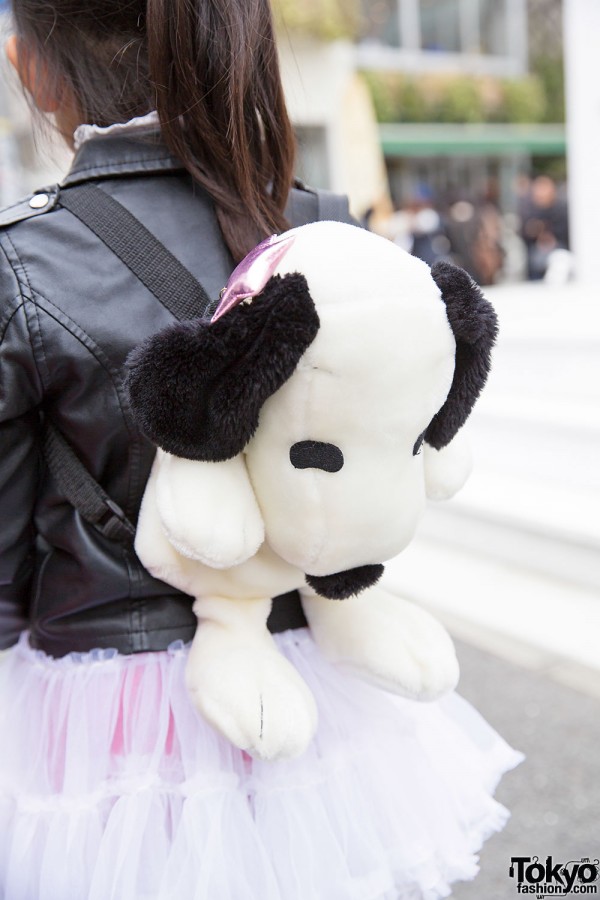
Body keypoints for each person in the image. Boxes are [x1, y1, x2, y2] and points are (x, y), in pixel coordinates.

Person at [0, 2, 521, 898]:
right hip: (313, 686)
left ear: (31, 68)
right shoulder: (324, 225)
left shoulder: (23, 260)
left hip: (101, 727)